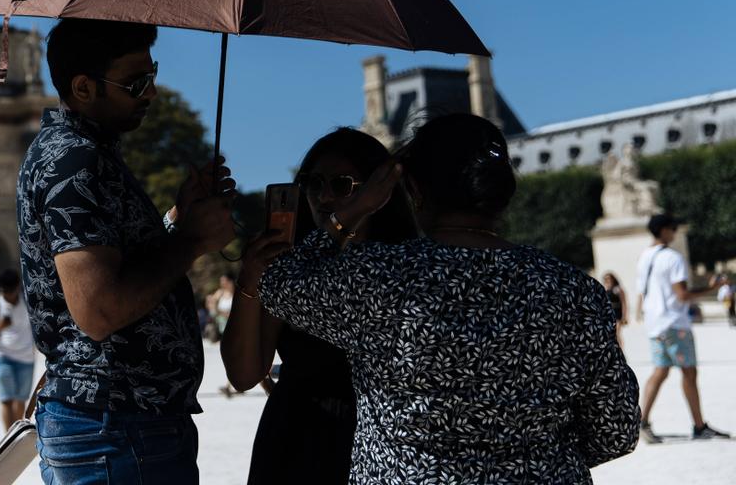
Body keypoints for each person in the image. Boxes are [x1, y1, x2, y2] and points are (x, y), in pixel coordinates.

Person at [259, 113, 640, 482]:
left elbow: (279, 282)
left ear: (414, 191)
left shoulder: (376, 277)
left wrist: (350, 213)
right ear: (502, 192)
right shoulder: (574, 291)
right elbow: (617, 430)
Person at [17, 18, 235, 485]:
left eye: (152, 74)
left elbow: (106, 262)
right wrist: (192, 241)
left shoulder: (84, 152)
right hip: (115, 427)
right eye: (136, 81)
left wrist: (177, 218)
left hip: (118, 425)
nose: (152, 92)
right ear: (83, 86)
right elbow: (98, 308)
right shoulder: (77, 159)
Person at [222, 128, 416, 485]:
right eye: (313, 184)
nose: (323, 197)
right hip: (296, 434)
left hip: (379, 436)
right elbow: (244, 373)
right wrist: (249, 279)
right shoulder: (288, 265)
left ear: (379, 191)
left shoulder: (405, 267)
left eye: (342, 184)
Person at [635, 214, 730, 442]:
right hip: (674, 323)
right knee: (689, 372)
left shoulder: (644, 257)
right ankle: (699, 426)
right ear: (665, 230)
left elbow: (642, 292)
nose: (676, 232)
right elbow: (683, 294)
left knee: (660, 371)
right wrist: (713, 288)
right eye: (673, 228)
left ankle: (642, 421)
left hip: (656, 323)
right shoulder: (672, 258)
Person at [0, 269, 37, 430]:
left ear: (18, 288)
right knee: (6, 399)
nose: (8, 295)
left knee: (20, 400)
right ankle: (8, 437)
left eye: (10, 291)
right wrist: (1, 325)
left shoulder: (27, 302)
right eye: (5, 291)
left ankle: (15, 434)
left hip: (26, 357)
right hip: (2, 356)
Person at [601, 272, 629, 350]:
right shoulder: (605, 289)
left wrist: (624, 316)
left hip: (617, 313)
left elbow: (624, 303)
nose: (607, 280)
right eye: (606, 279)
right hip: (608, 313)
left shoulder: (618, 289)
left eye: (609, 278)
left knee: (616, 333)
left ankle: (620, 350)